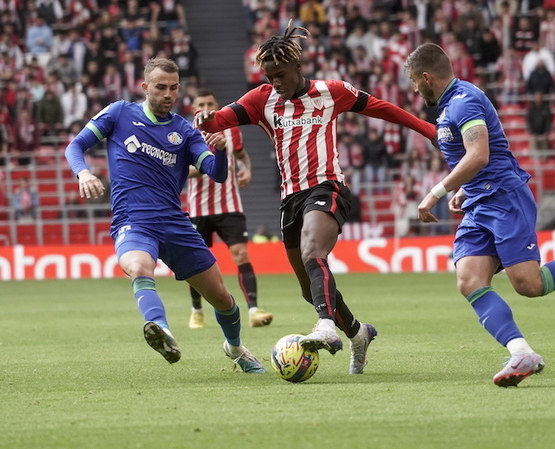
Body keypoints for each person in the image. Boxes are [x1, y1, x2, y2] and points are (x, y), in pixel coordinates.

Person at [193, 22, 437, 374]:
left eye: (279, 74)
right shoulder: (262, 99)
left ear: (297, 66)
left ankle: (324, 326)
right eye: (268, 75)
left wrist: (428, 129)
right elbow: (220, 122)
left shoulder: (331, 92)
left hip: (327, 187)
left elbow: (381, 108)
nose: (274, 81)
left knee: (313, 252)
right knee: (310, 288)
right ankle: (357, 334)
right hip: (290, 198)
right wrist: (206, 119)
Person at [404, 43, 555, 388]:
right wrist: (464, 187)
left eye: (415, 81)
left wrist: (437, 191)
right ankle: (521, 352)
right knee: (469, 280)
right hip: (478, 203)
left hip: (505, 199)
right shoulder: (448, 107)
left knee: (529, 285)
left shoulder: (464, 100)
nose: (415, 89)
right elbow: (474, 161)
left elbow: (479, 155)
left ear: (427, 76)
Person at [64, 58, 265, 373]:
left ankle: (236, 348)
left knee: (223, 299)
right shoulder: (119, 113)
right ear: (145, 87)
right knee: (138, 266)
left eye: (173, 88)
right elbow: (75, 146)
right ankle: (160, 328)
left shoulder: (185, 131)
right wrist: (83, 174)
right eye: (160, 87)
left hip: (175, 223)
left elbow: (216, 173)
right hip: (134, 220)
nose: (168, 93)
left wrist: (222, 150)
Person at [185, 88, 274, 330]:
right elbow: (185, 170)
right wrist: (210, 165)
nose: (205, 107)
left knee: (241, 255)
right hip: (199, 209)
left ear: (216, 105)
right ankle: (197, 310)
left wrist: (247, 169)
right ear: (194, 109)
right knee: (194, 264)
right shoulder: (188, 134)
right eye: (200, 103)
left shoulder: (231, 130)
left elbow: (242, 156)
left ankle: (254, 310)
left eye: (209, 102)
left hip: (230, 205)